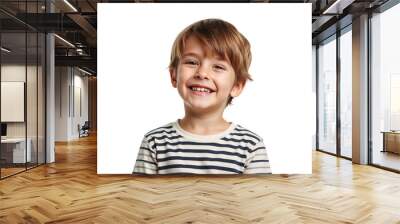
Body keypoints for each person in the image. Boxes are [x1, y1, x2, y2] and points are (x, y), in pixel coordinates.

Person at [133, 18, 271, 175]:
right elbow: (140, 197)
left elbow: (257, 198)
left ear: (236, 86)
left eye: (218, 67)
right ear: (173, 76)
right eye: (192, 62)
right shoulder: (155, 142)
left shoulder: (251, 146)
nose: (202, 73)